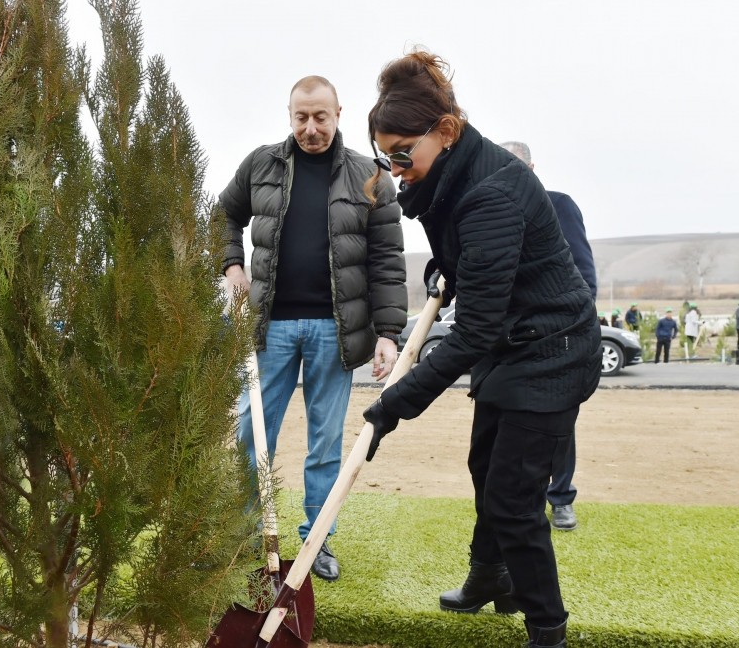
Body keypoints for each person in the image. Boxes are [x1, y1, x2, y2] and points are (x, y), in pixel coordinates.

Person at [360, 51, 601, 648]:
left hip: (551, 349)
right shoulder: (453, 168)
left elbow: (474, 330)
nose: (393, 169)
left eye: (400, 154)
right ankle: (490, 577)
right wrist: (447, 266)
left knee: (515, 499)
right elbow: (473, 253)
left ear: (443, 132)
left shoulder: (489, 189)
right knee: (484, 467)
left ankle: (547, 627)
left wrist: (396, 402)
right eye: (382, 155)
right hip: (514, 343)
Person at [220, 75, 407, 582]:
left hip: (336, 331)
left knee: (325, 444)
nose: (310, 127)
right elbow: (222, 215)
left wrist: (388, 333)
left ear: (339, 112)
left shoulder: (370, 176)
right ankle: (244, 536)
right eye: (300, 117)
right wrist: (232, 265)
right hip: (268, 328)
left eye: (319, 117)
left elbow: (388, 261)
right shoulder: (261, 164)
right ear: (289, 115)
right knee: (250, 435)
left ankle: (316, 541)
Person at [501, 140, 597, 533]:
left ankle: (561, 498)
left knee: (558, 424)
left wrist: (571, 328)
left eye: (518, 169)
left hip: (559, 338)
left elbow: (584, 275)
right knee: (512, 423)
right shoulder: (492, 212)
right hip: (511, 338)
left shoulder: (559, 205)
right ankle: (521, 498)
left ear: (533, 168)